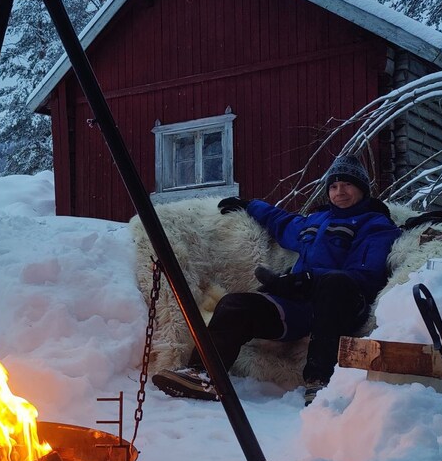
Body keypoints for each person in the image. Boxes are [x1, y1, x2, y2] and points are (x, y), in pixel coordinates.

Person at [152, 154, 401, 405]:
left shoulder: (377, 225)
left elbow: (366, 277)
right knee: (236, 304)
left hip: (344, 305)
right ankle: (204, 374)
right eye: (334, 186)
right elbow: (281, 221)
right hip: (302, 304)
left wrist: (307, 279)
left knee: (335, 283)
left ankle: (319, 381)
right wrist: (249, 205)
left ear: (362, 189)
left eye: (347, 184)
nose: (340, 192)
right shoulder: (316, 221)